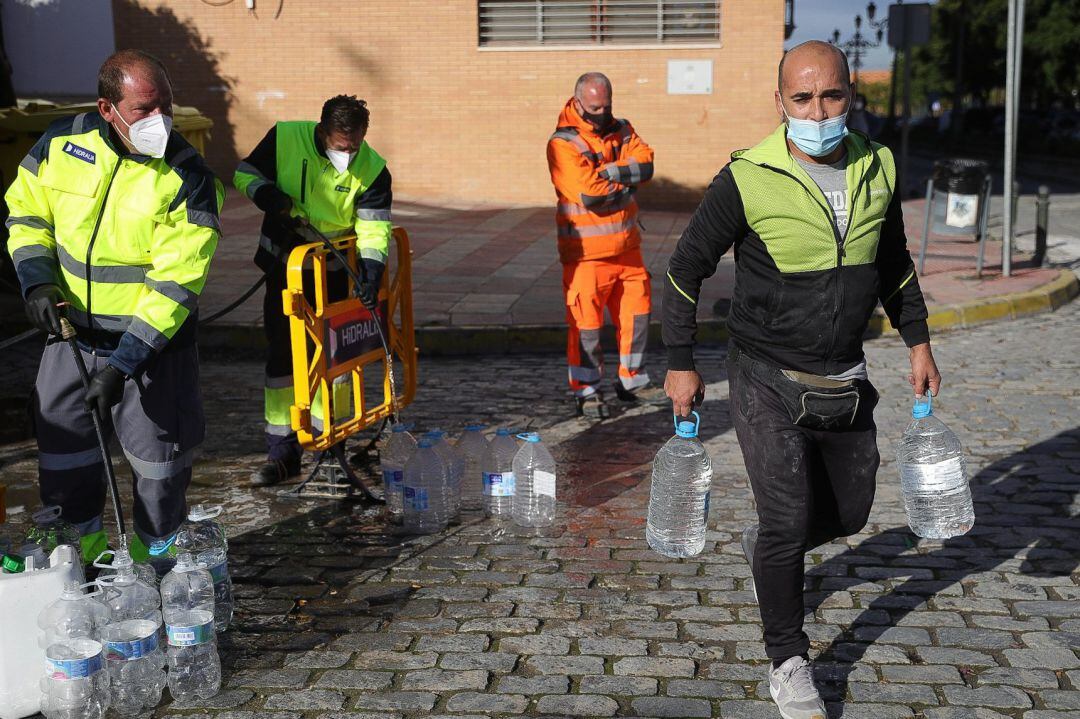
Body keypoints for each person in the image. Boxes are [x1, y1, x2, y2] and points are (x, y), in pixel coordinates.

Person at [663, 41, 941, 719]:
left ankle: (771, 556)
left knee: (848, 512)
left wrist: (919, 340)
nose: (818, 111)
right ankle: (788, 659)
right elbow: (683, 267)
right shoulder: (747, 176)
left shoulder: (878, 164)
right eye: (802, 98)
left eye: (832, 96)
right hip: (763, 370)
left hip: (844, 372)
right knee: (787, 516)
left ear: (852, 95)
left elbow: (893, 262)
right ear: (780, 102)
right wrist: (680, 359)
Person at [5, 49, 223, 570]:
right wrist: (36, 281)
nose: (161, 121)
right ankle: (82, 576)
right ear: (108, 108)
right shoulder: (61, 142)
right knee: (66, 468)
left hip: (151, 355)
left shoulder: (187, 176)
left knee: (159, 477)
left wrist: (123, 366)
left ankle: (161, 582)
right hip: (70, 342)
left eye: (166, 105)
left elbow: (175, 286)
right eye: (145, 108)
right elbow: (27, 213)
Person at [234, 95, 392, 485]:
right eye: (341, 147)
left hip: (335, 275)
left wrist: (371, 274)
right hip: (285, 269)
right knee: (283, 362)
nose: (348, 154)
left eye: (354, 146)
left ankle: (330, 444)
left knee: (333, 364)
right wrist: (270, 197)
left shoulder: (372, 170)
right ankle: (282, 453)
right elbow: (244, 174)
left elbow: (373, 228)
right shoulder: (286, 137)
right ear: (321, 132)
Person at [546, 72, 666, 420]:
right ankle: (586, 390)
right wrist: (625, 183)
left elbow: (646, 164)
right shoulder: (563, 143)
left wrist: (608, 172)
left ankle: (633, 381)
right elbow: (588, 195)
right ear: (578, 101)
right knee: (585, 326)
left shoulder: (623, 128)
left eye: (607, 105)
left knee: (637, 317)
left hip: (628, 249)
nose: (602, 113)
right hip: (585, 255)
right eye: (595, 107)